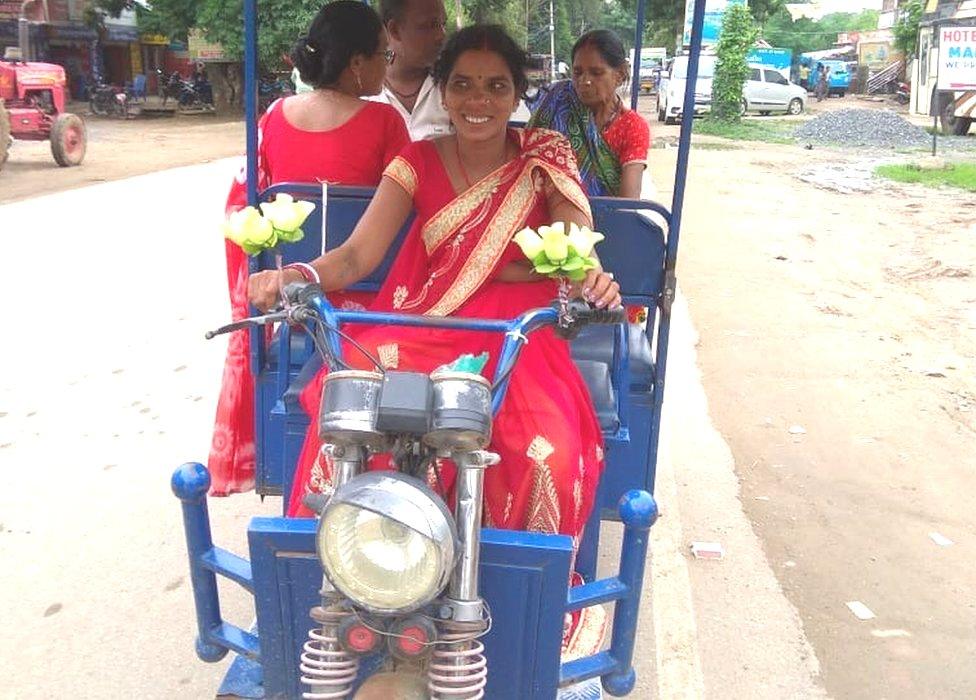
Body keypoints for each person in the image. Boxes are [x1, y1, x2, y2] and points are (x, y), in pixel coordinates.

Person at [248, 24, 620, 543]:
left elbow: (576, 242)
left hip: (519, 332)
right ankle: (344, 566)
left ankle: (524, 596)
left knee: (548, 454)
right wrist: (296, 274)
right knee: (351, 417)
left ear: (516, 95)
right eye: (463, 84)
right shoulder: (416, 160)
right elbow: (357, 255)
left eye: (496, 86)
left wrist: (592, 278)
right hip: (425, 320)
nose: (479, 100)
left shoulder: (544, 156)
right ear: (442, 92)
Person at [210, 0, 410, 495]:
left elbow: (242, 210)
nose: (387, 67)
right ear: (357, 63)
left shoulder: (274, 116)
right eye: (384, 56)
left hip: (293, 298)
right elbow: (406, 219)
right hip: (366, 298)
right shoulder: (387, 124)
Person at [527, 29, 650, 199]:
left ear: (620, 75)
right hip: (549, 217)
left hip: (608, 220)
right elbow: (528, 161)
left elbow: (628, 202)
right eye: (577, 73)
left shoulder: (632, 126)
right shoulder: (559, 101)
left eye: (596, 73)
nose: (584, 81)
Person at [372, 0, 452, 140]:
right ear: (394, 30)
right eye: (430, 25)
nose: (441, 35)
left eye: (442, 24)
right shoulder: (363, 97)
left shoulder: (453, 87)